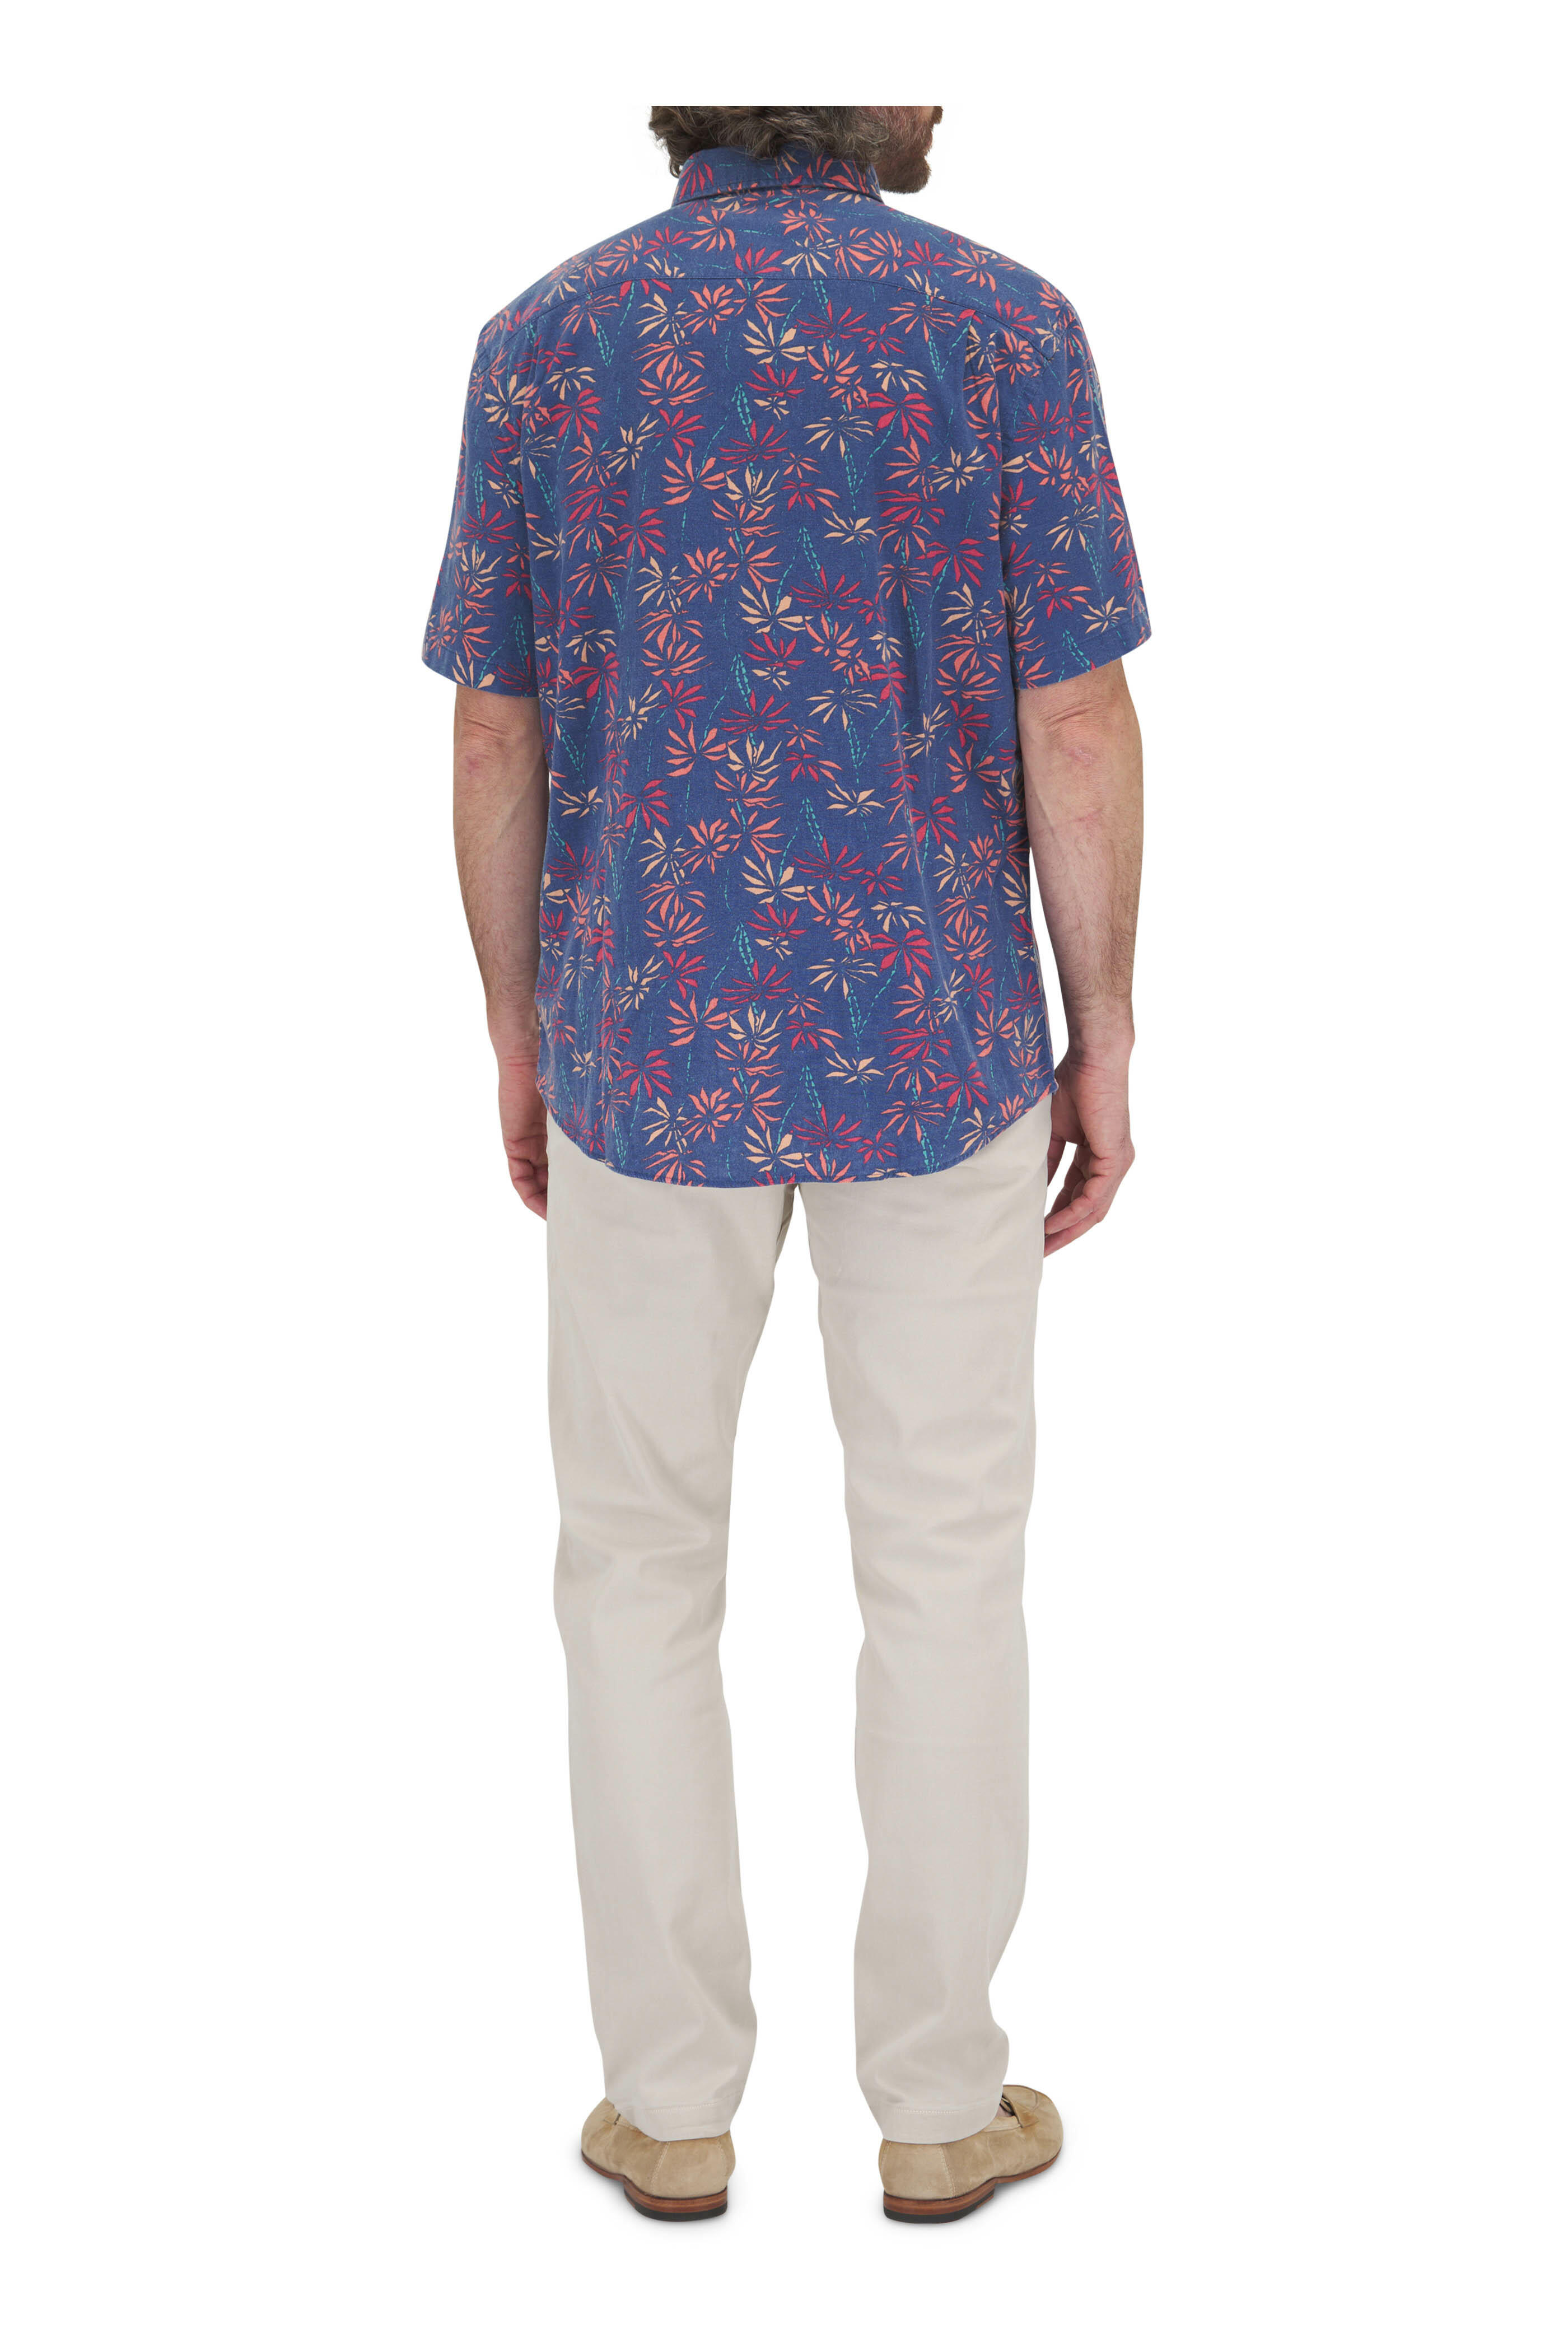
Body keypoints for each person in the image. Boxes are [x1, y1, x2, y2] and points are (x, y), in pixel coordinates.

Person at [423, 103, 1147, 2224]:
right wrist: (1105, 1025)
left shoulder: (549, 341)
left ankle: (669, 2107)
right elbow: (1075, 717)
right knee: (946, 1561)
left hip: (644, 1049)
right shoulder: (1003, 329)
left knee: (637, 1567)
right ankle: (938, 2104)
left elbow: (494, 727)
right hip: (938, 1045)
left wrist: (518, 1027)